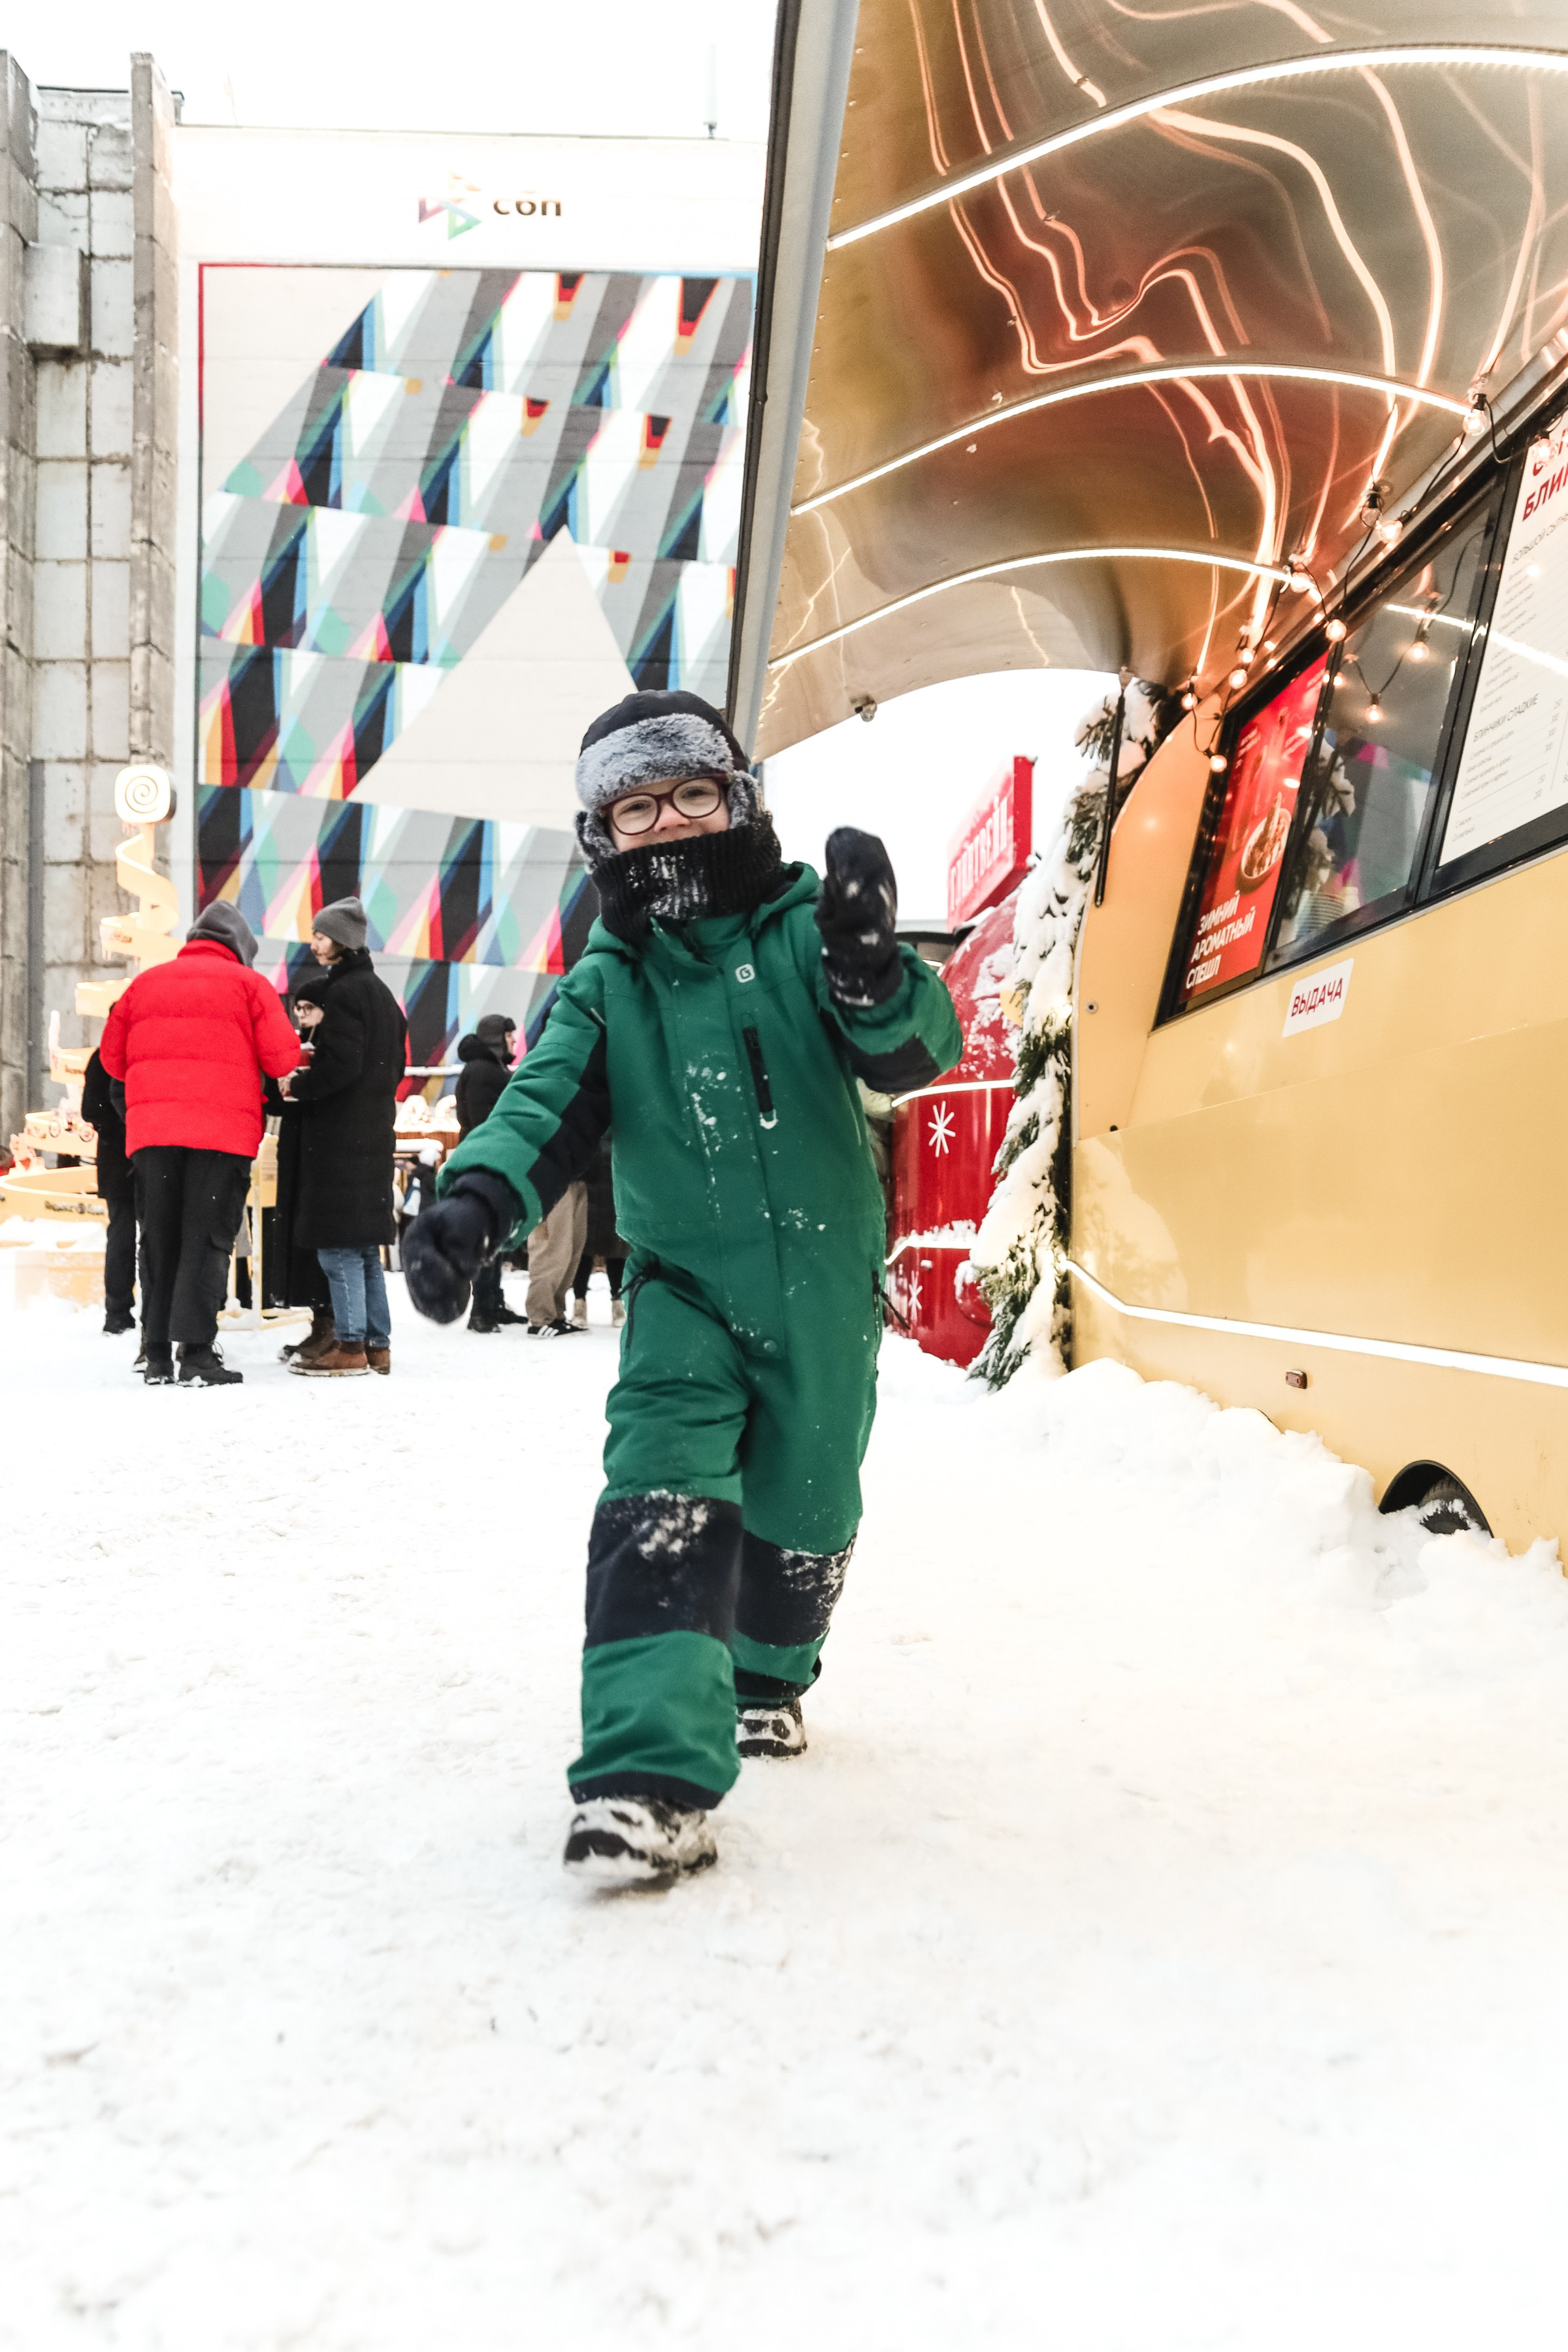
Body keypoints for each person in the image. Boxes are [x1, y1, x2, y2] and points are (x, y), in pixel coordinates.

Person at [404, 687, 962, 1884]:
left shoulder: (808, 931)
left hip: (822, 1280)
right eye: (635, 807)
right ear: (603, 839)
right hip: (683, 1292)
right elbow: (543, 1104)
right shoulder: (610, 981)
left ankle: (768, 1672)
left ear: (739, 799)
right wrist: (471, 1205)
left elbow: (913, 1052)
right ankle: (646, 1775)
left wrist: (873, 969)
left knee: (808, 1504)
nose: (667, 825)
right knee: (660, 1494)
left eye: (691, 794)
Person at [99, 899, 301, 1386]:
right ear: (239, 948)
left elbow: (111, 1060)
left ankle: (155, 1352)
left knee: (160, 1237)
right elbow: (282, 1059)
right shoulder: (251, 986)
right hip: (221, 1136)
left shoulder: (146, 983)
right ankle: (195, 1354)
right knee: (205, 1240)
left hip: (153, 1135)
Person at [284, 896, 407, 1377]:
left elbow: (341, 1064)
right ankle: (378, 1345)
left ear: (343, 941)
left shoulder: (344, 994)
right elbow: (390, 1064)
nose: (314, 944)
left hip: (340, 1137)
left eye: (321, 936)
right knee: (362, 1248)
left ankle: (351, 1345)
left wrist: (300, 1085)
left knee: (337, 1247)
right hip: (374, 1132)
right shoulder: (380, 993)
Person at [269, 973, 336, 1365]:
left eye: (309, 1008)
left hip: (318, 1153)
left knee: (316, 1238)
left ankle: (330, 1323)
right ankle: (317, 1319)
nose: (303, 1016)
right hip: (296, 1149)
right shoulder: (301, 1047)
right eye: (298, 1009)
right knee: (297, 1232)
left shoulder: (333, 1049)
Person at [453, 1013, 525, 1333]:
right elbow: (485, 1123)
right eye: (509, 1035)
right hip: (486, 1163)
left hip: (486, 1161)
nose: (514, 1040)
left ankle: (492, 1302)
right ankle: (482, 1310)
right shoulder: (484, 1071)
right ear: (498, 1037)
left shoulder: (488, 1068)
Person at [80, 1047, 136, 1335]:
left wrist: (112, 1129)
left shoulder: (104, 1056)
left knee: (121, 1236)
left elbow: (91, 1109)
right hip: (139, 1154)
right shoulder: (118, 1054)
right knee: (144, 1237)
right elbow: (92, 1110)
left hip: (116, 1157)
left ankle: (118, 1312)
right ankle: (122, 1311)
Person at [572, 1136, 627, 1328]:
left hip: (615, 1197)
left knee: (618, 1251)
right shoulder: (587, 1129)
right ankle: (579, 1304)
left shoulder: (622, 1131)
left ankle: (617, 1302)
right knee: (583, 1251)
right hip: (588, 1197)